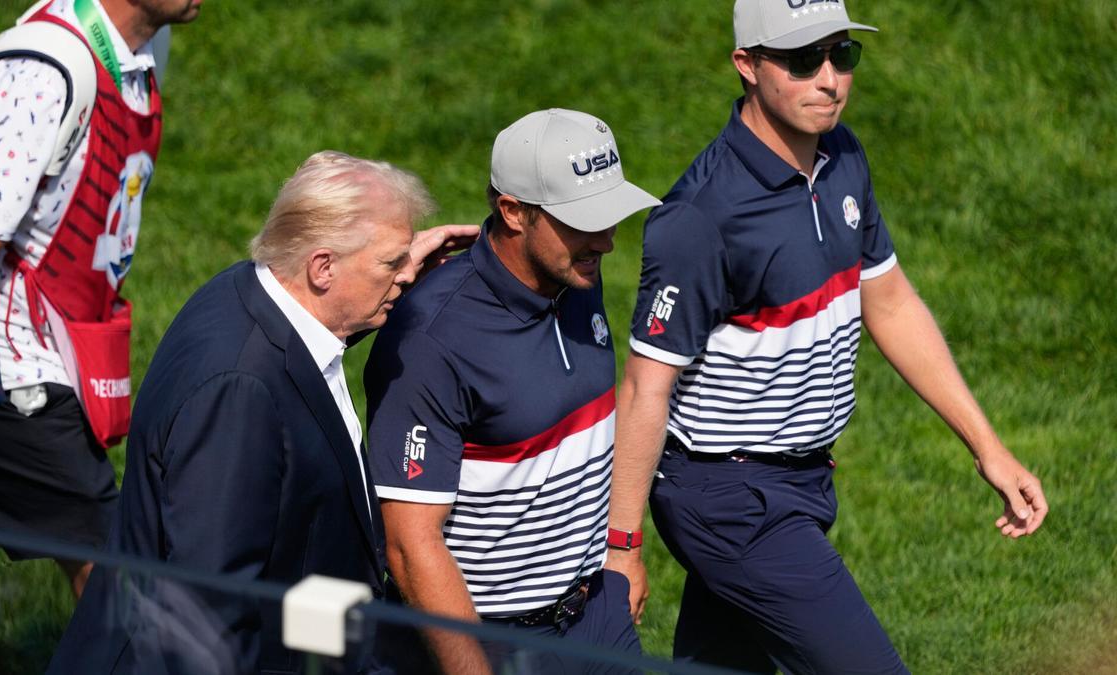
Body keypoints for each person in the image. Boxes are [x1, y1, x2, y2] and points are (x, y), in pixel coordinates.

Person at [605, 1, 1049, 673]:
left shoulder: (842, 159)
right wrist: (621, 546)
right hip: (730, 497)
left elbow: (892, 303)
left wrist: (988, 447)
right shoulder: (702, 216)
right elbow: (646, 383)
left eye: (842, 55)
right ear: (746, 66)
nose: (829, 79)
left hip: (804, 479)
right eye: (803, 59)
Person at [46, 150, 478, 674]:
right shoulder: (239, 395)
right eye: (391, 263)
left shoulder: (250, 292)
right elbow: (208, 614)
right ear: (322, 266)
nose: (406, 277)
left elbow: (302, 359)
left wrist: (399, 261)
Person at [0, 0, 200, 598]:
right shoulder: (42, 70)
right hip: (4, 370)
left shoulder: (138, 56)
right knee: (116, 577)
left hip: (13, 360)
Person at [364, 109, 660, 674]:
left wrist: (622, 550)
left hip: (596, 616)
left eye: (610, 217)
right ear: (514, 212)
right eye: (584, 221)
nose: (607, 242)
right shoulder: (432, 339)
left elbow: (595, 431)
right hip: (490, 643)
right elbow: (410, 545)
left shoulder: (572, 277)